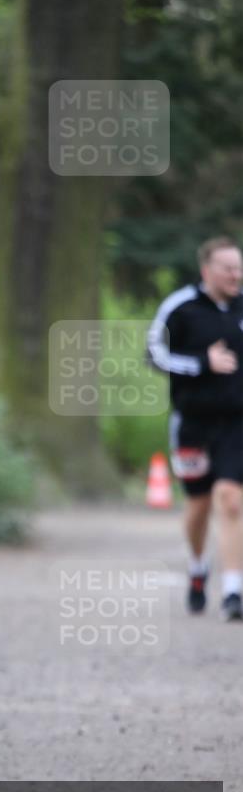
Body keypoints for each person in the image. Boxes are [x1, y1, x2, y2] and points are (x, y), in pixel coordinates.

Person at [147, 236, 243, 620]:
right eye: (228, 268)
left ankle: (233, 590)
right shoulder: (181, 307)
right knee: (199, 505)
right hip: (192, 423)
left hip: (237, 423)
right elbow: (154, 354)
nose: (236, 275)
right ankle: (199, 566)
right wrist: (204, 362)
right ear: (207, 270)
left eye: (239, 268)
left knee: (231, 499)